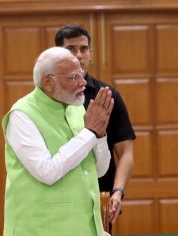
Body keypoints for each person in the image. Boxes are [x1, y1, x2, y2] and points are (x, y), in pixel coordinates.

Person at [2, 47, 114, 236]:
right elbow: (48, 172)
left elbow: (99, 171)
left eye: (81, 74)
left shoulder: (76, 108)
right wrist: (90, 132)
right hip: (38, 229)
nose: (83, 82)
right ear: (48, 82)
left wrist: (100, 135)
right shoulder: (22, 115)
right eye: (73, 77)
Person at [55, 23, 136, 226]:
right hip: (58, 198)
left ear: (91, 53)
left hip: (99, 196)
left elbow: (126, 151)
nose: (79, 55)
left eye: (84, 49)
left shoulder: (107, 95)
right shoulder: (49, 97)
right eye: (71, 49)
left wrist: (117, 192)